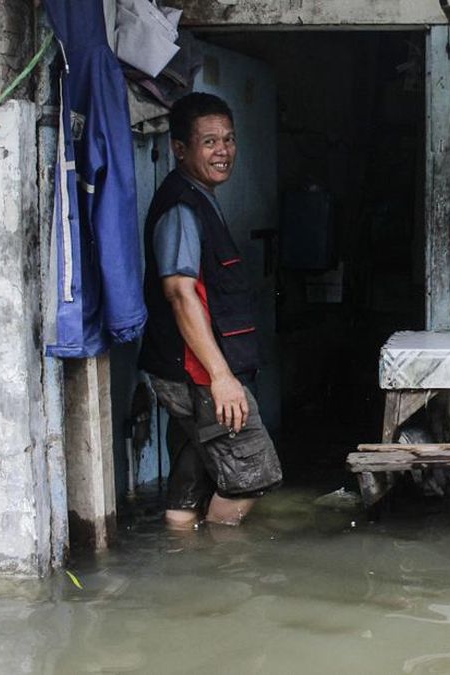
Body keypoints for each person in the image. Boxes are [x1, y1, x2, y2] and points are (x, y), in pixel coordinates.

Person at [138, 93, 282, 529]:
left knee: (190, 485)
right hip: (198, 374)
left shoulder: (197, 198)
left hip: (184, 373)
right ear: (181, 149)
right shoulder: (182, 207)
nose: (223, 151)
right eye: (209, 142)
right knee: (250, 477)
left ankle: (185, 569)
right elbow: (181, 294)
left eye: (229, 139)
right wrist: (222, 378)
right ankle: (226, 574)